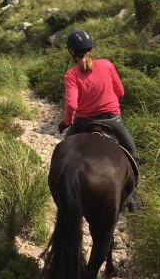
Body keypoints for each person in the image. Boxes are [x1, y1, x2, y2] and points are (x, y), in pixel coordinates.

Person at [57, 30, 142, 211]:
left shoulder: (71, 74)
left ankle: (60, 190)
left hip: (83, 121)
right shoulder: (106, 64)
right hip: (112, 120)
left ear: (72, 52)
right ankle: (133, 196)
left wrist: (67, 121)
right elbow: (120, 91)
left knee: (64, 154)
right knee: (132, 152)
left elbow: (72, 104)